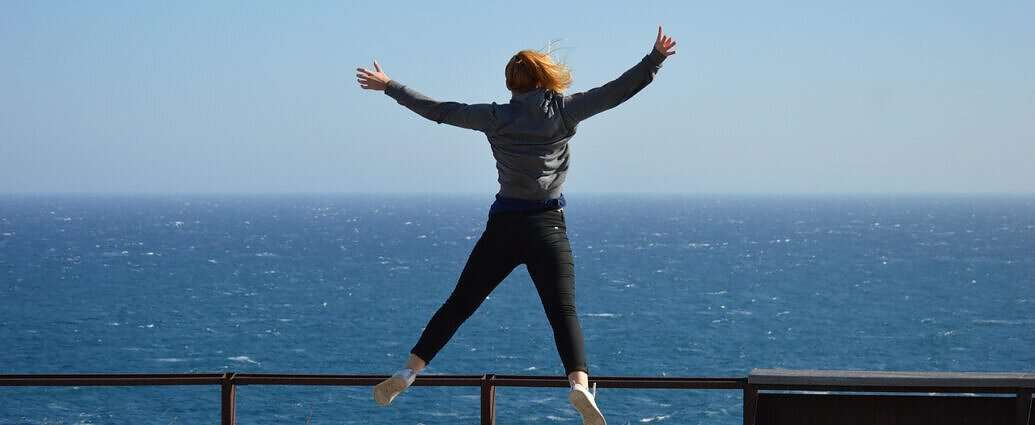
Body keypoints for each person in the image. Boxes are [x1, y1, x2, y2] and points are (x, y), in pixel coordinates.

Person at [355, 25, 676, 425]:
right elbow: (615, 92)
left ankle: (409, 371)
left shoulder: (496, 117)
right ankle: (578, 384)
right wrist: (654, 60)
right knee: (563, 312)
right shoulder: (563, 110)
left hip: (504, 227)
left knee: (460, 303)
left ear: (511, 84)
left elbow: (438, 110)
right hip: (547, 225)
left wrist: (390, 86)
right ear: (543, 78)